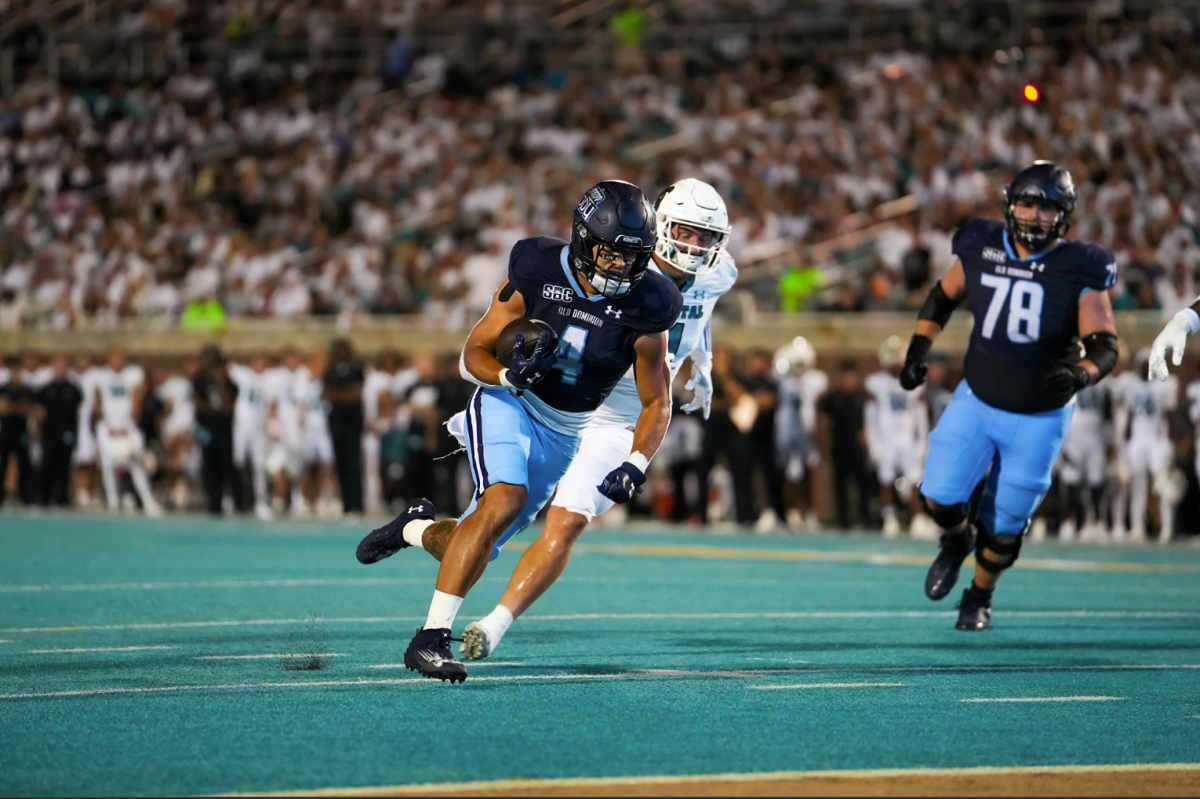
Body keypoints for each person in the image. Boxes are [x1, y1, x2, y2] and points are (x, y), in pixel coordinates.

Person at [355, 180, 682, 682]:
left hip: (566, 431)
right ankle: (430, 638)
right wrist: (508, 375)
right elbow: (473, 354)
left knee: (477, 540)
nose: (621, 266)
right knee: (504, 499)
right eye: (611, 253)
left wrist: (636, 462)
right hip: (511, 401)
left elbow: (658, 400)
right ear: (583, 239)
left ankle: (412, 528)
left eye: (632, 257)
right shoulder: (536, 265)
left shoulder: (652, 302)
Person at [459, 178, 735, 660]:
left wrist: (702, 361)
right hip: (561, 405)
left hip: (619, 419)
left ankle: (495, 623)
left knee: (566, 523)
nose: (697, 246)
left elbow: (699, 310)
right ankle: (416, 529)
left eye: (707, 237)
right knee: (478, 534)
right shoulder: (621, 269)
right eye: (688, 233)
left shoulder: (719, 272)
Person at [897, 161, 1119, 631]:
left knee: (1004, 527)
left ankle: (978, 596)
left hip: (1040, 417)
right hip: (977, 399)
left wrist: (1081, 375)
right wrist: (919, 348)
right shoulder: (980, 242)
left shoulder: (1080, 266)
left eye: (1047, 207)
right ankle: (957, 541)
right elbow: (942, 296)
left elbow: (1104, 345)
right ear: (1009, 204)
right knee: (938, 495)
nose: (1036, 215)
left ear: (1064, 214)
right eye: (1027, 203)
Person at [865, 336, 932, 538]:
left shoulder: (916, 382)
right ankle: (889, 518)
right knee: (886, 480)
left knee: (914, 480)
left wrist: (923, 441)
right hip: (886, 440)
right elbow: (870, 414)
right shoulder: (874, 383)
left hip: (907, 439)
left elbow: (920, 415)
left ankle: (918, 518)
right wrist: (874, 442)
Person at [94, 349, 162, 516]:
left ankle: (147, 501)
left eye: (119, 358)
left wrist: (127, 425)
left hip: (128, 427)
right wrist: (109, 425)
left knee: (136, 464)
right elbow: (98, 401)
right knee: (108, 465)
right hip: (108, 428)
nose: (116, 362)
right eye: (113, 358)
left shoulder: (133, 374)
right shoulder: (101, 376)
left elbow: (137, 398)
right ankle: (113, 501)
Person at [774, 337, 827, 531]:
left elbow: (819, 401)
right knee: (791, 475)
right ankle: (793, 512)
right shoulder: (783, 379)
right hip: (788, 431)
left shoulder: (816, 379)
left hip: (807, 431)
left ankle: (811, 512)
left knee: (810, 473)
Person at [819, 360, 875, 530]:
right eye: (845, 377)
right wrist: (823, 443)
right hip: (839, 446)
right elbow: (820, 415)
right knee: (840, 484)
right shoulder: (834, 397)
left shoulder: (863, 397)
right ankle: (843, 520)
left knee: (862, 483)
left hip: (858, 447)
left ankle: (866, 517)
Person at [193, 345, 239, 515]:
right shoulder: (199, 380)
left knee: (227, 465)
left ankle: (235, 502)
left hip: (224, 428)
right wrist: (216, 410)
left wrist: (220, 382)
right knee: (209, 465)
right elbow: (199, 404)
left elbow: (230, 405)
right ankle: (214, 503)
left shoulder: (228, 382)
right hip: (207, 427)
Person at [323, 339, 366, 515]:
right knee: (340, 464)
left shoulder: (356, 370)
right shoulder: (330, 372)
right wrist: (344, 396)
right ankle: (346, 504)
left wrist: (338, 396)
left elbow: (356, 396)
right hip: (336, 424)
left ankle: (356, 504)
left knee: (354, 464)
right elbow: (326, 394)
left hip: (353, 424)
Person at [36, 355, 85, 507]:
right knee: (47, 464)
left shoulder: (74, 389)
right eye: (57, 367)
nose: (60, 370)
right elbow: (39, 412)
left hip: (67, 432)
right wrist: (38, 432)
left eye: (63, 367)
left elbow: (78, 412)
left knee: (64, 466)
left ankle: (62, 497)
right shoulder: (45, 389)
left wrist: (76, 433)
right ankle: (45, 497)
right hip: (50, 432)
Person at [230, 353, 273, 519]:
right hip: (242, 428)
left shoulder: (270, 379)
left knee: (259, 466)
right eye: (257, 361)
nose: (260, 365)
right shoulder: (244, 375)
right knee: (238, 462)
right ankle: (233, 500)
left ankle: (261, 501)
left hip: (259, 430)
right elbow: (229, 366)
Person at [0, 355, 38, 506]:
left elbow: (33, 410)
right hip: (6, 431)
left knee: (24, 464)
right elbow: (2, 410)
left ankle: (25, 497)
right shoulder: (3, 388)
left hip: (22, 432)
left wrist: (13, 407)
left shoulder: (27, 390)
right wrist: (21, 408)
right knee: (2, 464)